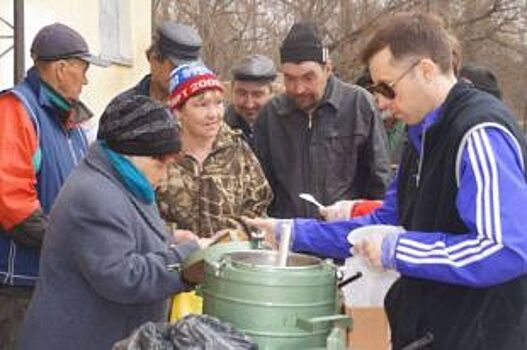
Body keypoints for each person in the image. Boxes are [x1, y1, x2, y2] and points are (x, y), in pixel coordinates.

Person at [245, 12, 527, 349]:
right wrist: (289, 232)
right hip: (430, 329)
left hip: (480, 335)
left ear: (425, 70)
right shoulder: (420, 134)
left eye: (387, 87)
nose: (382, 102)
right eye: (376, 88)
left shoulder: (479, 132)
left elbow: (505, 248)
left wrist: (399, 250)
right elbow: (385, 222)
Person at [16, 96, 201, 350]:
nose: (165, 174)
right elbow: (121, 276)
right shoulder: (95, 195)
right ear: (130, 153)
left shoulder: (124, 180)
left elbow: (127, 236)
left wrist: (170, 239)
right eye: (161, 162)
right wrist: (186, 259)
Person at [0, 22, 107, 349]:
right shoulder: (16, 110)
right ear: (61, 69)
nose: (87, 79)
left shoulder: (71, 124)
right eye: (83, 69)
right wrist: (70, 242)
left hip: (57, 280)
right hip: (20, 287)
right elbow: (12, 203)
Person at [255, 22, 390, 219]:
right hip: (288, 234)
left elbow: (379, 181)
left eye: (308, 77)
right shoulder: (271, 115)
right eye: (290, 78)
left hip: (344, 233)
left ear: (328, 69)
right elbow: (261, 189)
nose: (298, 88)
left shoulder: (359, 105)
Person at [157, 62, 272, 239]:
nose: (213, 114)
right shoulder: (160, 155)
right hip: (174, 260)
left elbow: (259, 206)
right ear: (178, 111)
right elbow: (141, 216)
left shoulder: (237, 150)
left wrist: (236, 232)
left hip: (229, 259)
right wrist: (172, 235)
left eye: (218, 103)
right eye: (201, 105)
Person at [115, 21, 202, 103]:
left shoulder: (197, 108)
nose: (182, 76)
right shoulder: (123, 107)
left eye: (189, 70)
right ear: (154, 61)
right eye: (175, 68)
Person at [224, 54, 277, 150]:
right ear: (231, 91)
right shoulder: (217, 130)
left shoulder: (286, 128)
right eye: (242, 93)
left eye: (257, 95)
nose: (249, 104)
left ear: (271, 93)